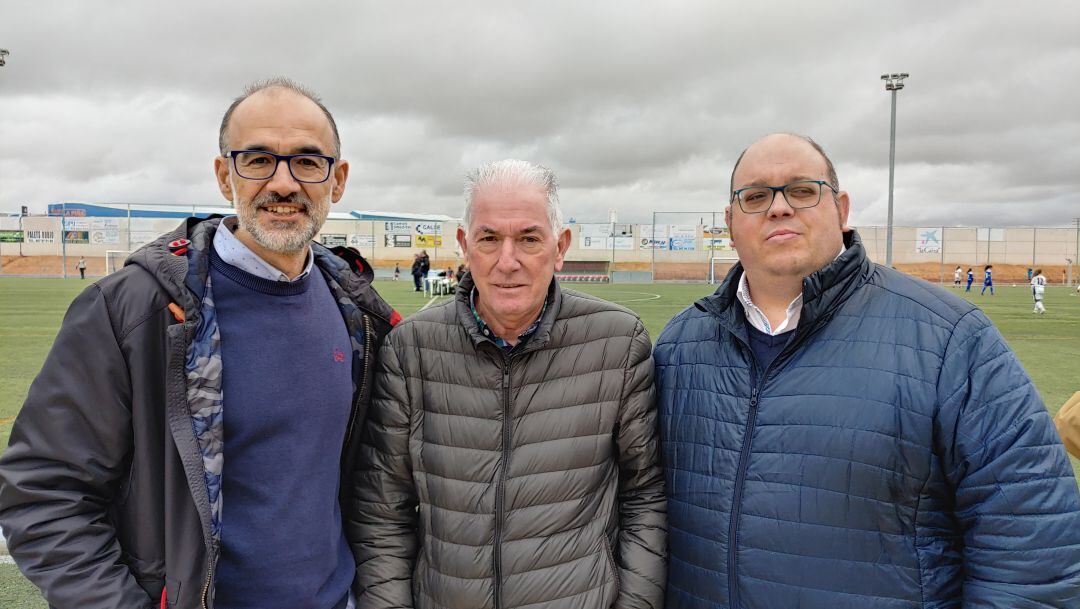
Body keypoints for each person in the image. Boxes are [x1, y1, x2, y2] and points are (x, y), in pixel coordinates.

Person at [0, 78, 400, 609]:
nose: (283, 183)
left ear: (338, 179)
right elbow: (43, 493)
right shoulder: (132, 310)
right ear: (224, 174)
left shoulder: (359, 315)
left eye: (307, 161)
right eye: (258, 160)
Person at [654, 133, 1080, 608]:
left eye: (801, 190)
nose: (778, 208)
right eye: (755, 197)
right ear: (730, 223)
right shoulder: (679, 345)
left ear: (841, 209)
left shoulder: (951, 339)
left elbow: (1032, 549)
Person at [351, 159, 666, 609]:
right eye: (489, 239)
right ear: (465, 246)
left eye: (529, 239)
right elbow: (382, 510)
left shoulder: (617, 342)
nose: (507, 261)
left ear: (560, 247)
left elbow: (645, 496)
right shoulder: (410, 349)